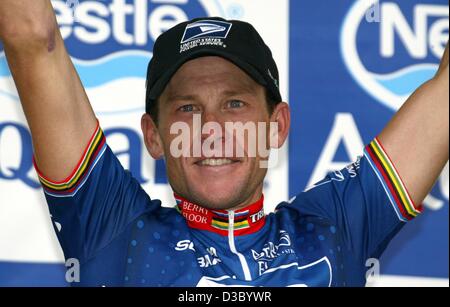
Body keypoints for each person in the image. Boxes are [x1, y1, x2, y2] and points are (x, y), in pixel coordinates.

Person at [0, 1, 448, 287]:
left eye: (234, 103)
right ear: (153, 136)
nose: (211, 128)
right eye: (187, 109)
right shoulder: (111, 227)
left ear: (277, 126)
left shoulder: (334, 229)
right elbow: (32, 38)